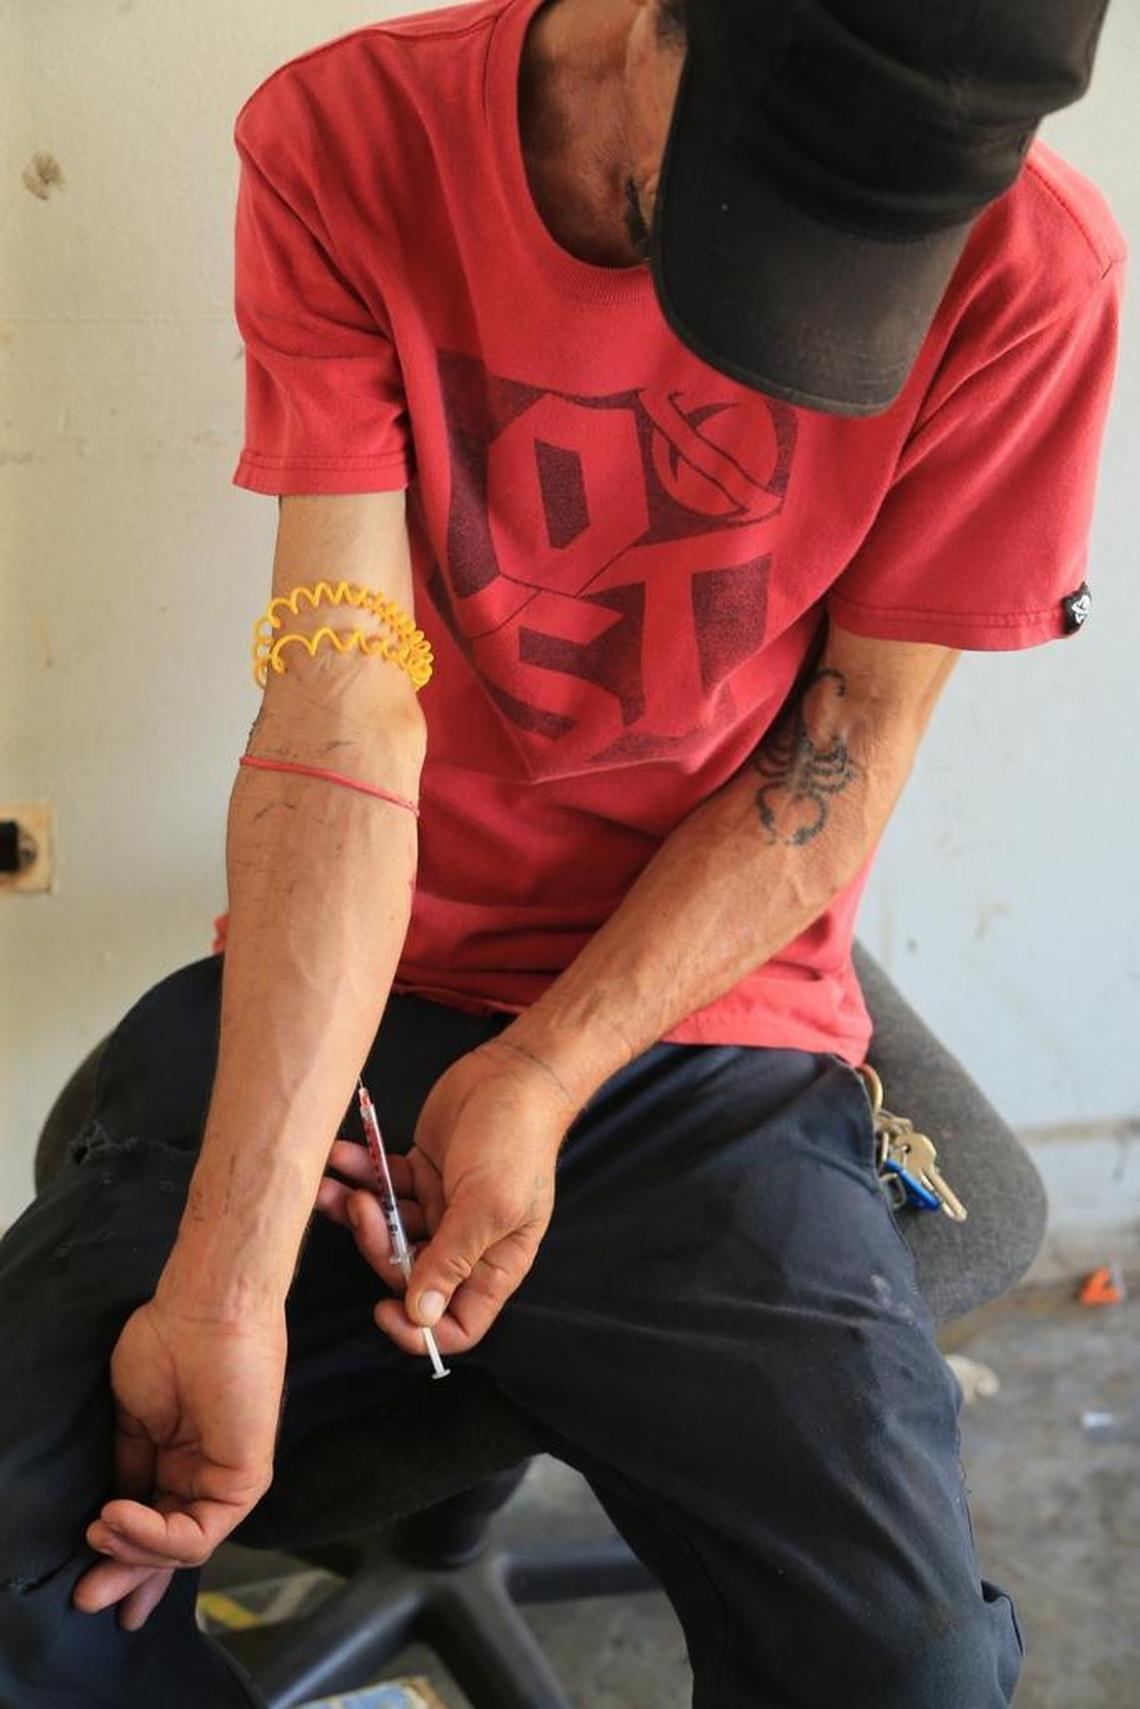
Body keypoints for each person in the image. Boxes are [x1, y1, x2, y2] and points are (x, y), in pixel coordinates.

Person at [0, 0, 1124, 1703]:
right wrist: (228, 1279)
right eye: (778, 201)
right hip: (365, 969)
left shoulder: (1037, 274)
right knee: (29, 1543)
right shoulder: (347, 144)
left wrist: (545, 1067)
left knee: (904, 1669)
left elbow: (855, 743)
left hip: (697, 1023)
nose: (803, 293)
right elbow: (340, 705)